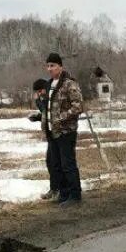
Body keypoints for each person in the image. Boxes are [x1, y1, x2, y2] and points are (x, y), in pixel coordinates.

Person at [43, 53, 85, 206]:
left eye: (53, 65)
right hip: (52, 132)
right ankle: (64, 193)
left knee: (68, 164)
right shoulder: (49, 84)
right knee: (57, 164)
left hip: (66, 131)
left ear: (60, 66)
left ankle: (75, 195)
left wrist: (61, 117)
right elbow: (47, 108)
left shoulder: (69, 84)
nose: (50, 69)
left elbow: (78, 106)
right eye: (48, 66)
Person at [26, 78, 60, 201]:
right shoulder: (44, 98)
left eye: (40, 91)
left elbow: (47, 110)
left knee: (56, 164)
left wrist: (37, 101)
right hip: (51, 135)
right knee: (50, 163)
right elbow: (46, 114)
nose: (40, 94)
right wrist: (38, 117)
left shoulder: (50, 97)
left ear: (45, 88)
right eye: (37, 92)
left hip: (57, 134)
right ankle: (54, 189)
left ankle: (59, 190)